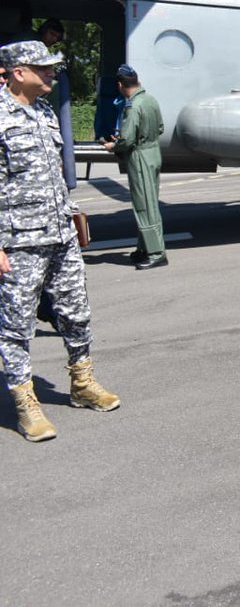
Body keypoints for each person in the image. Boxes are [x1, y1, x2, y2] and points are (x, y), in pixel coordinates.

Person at [0, 41, 121, 442]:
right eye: (44, 67)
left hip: (60, 235)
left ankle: (82, 384)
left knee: (76, 311)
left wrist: (71, 216)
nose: (53, 73)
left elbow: (54, 174)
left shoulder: (45, 112)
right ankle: (25, 402)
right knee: (16, 326)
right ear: (19, 72)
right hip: (19, 242)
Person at [102, 65, 166, 269]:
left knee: (144, 206)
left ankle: (156, 253)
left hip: (140, 158)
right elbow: (161, 127)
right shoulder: (151, 100)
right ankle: (145, 248)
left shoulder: (133, 106)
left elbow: (128, 140)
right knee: (149, 202)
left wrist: (114, 145)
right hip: (153, 153)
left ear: (120, 85)